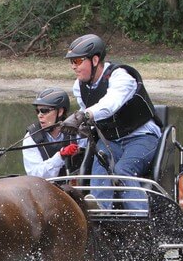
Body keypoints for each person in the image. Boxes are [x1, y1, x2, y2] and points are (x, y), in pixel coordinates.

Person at [60, 34, 162, 211]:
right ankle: (100, 213)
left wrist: (85, 115)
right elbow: (88, 117)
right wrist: (80, 133)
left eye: (77, 61)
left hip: (142, 137)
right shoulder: (79, 86)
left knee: (122, 170)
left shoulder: (121, 77)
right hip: (111, 141)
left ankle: (140, 219)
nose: (73, 66)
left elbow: (110, 104)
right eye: (71, 62)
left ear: (95, 60)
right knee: (100, 167)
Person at [22, 87, 84, 179]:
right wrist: (60, 156)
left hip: (76, 186)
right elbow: (35, 175)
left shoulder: (77, 132)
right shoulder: (31, 137)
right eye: (37, 111)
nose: (40, 115)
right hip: (45, 187)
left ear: (60, 111)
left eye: (44, 111)